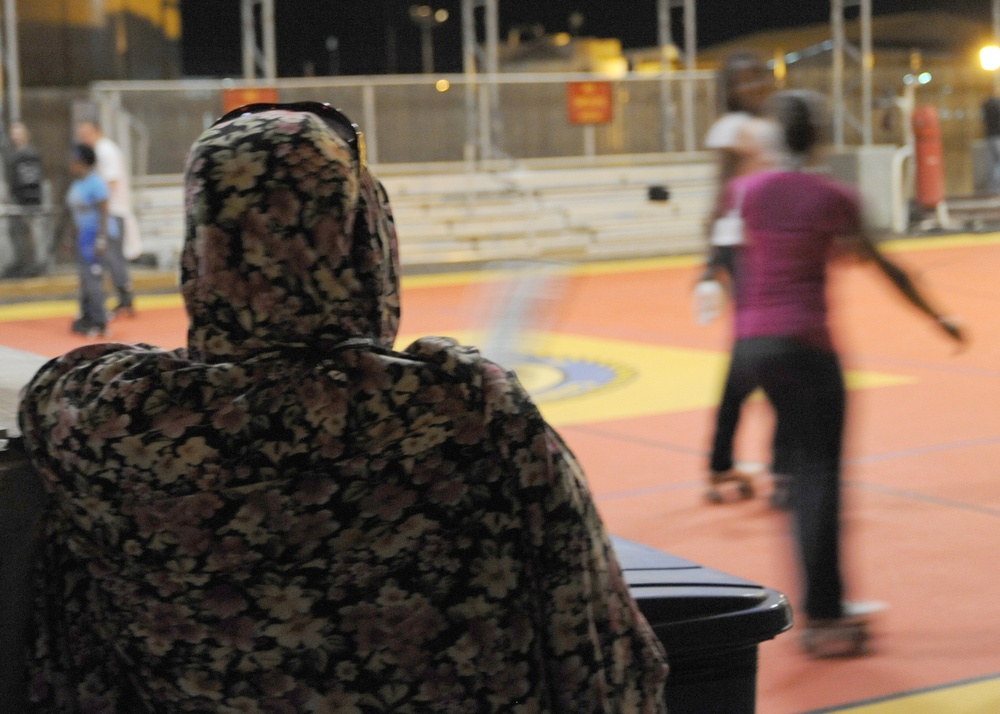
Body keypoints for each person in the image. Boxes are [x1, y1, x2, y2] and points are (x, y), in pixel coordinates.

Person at [18, 105, 669, 711]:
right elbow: (604, 665)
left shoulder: (106, 421)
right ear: (366, 244)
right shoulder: (467, 411)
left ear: (204, 251)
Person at [721, 89, 964, 658]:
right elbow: (883, 265)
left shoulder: (746, 192)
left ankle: (821, 603)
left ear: (775, 139)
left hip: (756, 346)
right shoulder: (836, 196)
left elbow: (735, 261)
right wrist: (939, 317)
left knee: (800, 473)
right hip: (808, 345)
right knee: (820, 478)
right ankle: (826, 618)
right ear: (822, 137)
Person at [696, 51, 793, 507]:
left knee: (757, 355)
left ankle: (724, 463)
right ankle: (781, 466)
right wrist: (710, 265)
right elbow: (722, 197)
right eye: (744, 80)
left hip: (769, 245)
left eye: (759, 74)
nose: (755, 84)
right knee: (764, 354)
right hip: (742, 250)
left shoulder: (770, 125)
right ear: (731, 89)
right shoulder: (732, 128)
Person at [75, 119, 137, 316]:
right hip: (108, 211)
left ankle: (125, 298)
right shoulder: (100, 150)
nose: (83, 139)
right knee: (111, 258)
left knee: (113, 257)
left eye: (85, 134)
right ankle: (121, 297)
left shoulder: (105, 150)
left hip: (112, 211)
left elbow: (111, 181)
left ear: (95, 131)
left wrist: (97, 203)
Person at [65, 144, 116, 337]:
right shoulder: (77, 184)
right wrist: (71, 239)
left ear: (82, 163)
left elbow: (104, 213)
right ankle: (86, 316)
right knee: (85, 280)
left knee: (94, 280)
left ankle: (99, 319)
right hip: (83, 237)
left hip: (95, 235)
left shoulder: (96, 183)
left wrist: (101, 240)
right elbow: (74, 215)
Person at [3, 121, 45, 278]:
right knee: (17, 233)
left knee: (29, 233)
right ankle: (21, 263)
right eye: (13, 133)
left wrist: (28, 199)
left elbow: (30, 179)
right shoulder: (15, 155)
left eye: (18, 133)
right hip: (17, 201)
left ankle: (32, 265)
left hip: (28, 201)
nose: (15, 137)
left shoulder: (28, 154)